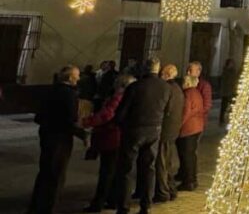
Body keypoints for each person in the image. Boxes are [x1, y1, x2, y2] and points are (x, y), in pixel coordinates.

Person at [113, 58, 171, 214]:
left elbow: (121, 112)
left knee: (126, 169)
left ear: (144, 69)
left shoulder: (134, 87)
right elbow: (167, 110)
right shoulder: (166, 87)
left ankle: (123, 206)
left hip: (134, 130)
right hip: (154, 130)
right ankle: (146, 205)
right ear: (158, 70)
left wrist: (120, 124)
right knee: (149, 168)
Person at [28, 65, 87, 214]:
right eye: (77, 76)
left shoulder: (50, 90)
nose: (79, 78)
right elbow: (70, 120)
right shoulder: (69, 95)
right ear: (71, 78)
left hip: (46, 135)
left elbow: (38, 116)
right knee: (56, 176)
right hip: (60, 139)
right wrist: (83, 134)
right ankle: (48, 208)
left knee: (44, 172)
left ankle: (35, 207)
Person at [82, 74, 137, 212]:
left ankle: (99, 203)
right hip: (119, 137)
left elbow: (106, 115)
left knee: (107, 172)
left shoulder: (118, 98)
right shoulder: (131, 98)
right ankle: (112, 199)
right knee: (114, 171)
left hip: (112, 138)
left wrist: (86, 122)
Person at [154, 65, 184, 203]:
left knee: (162, 163)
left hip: (165, 130)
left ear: (166, 74)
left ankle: (163, 192)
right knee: (167, 161)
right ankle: (171, 189)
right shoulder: (177, 88)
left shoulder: (167, 89)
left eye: (162, 73)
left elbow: (165, 109)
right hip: (173, 130)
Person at [176, 75, 205, 191]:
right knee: (191, 155)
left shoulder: (188, 94)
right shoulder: (196, 92)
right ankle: (191, 178)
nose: (182, 84)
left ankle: (188, 181)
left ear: (187, 83)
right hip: (197, 127)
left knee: (186, 155)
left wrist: (178, 125)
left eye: (183, 82)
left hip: (189, 128)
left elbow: (185, 112)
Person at [219, 59, 239, 127]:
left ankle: (230, 118)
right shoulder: (225, 71)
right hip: (226, 91)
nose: (231, 64)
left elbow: (234, 81)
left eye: (232, 63)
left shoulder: (233, 71)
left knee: (231, 106)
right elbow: (223, 82)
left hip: (232, 91)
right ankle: (222, 119)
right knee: (224, 106)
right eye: (230, 63)